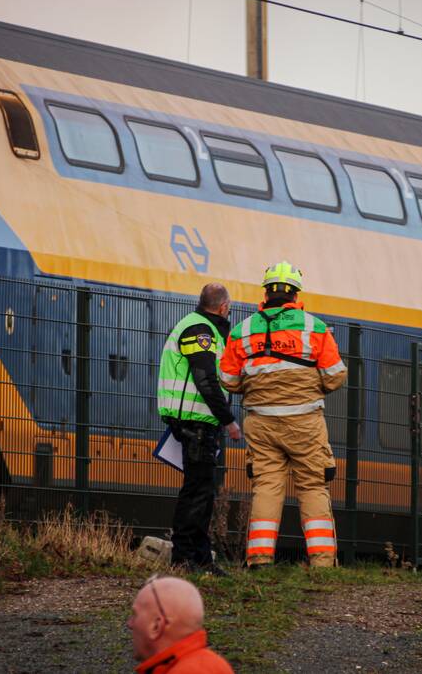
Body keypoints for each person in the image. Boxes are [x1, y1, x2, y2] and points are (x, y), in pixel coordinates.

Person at [219, 262, 346, 568]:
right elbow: (334, 376)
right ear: (295, 294)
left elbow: (228, 380)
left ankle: (260, 560)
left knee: (266, 487)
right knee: (312, 486)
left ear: (266, 293)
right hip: (305, 423)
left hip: (261, 423)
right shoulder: (314, 327)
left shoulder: (242, 330)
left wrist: (258, 385)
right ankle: (322, 563)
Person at [158, 283, 241, 574]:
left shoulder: (202, 328)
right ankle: (184, 557)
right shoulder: (200, 331)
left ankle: (201, 558)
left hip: (200, 423)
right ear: (223, 307)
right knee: (196, 491)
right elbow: (205, 379)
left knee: (203, 491)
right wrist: (229, 420)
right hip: (196, 423)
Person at [128, 575, 234, 673]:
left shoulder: (188, 671)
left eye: (135, 615)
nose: (130, 624)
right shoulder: (212, 664)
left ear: (156, 626)